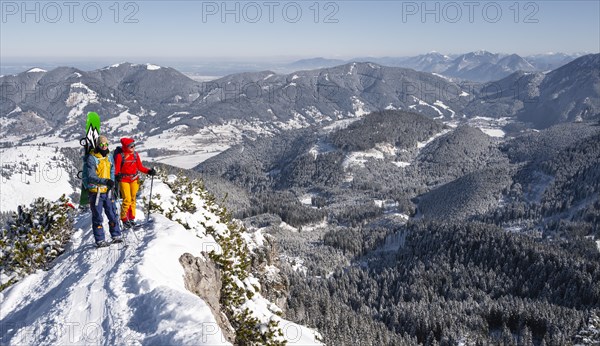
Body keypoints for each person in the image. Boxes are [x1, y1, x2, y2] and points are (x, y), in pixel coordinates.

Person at [85, 135, 122, 247]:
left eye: (106, 144)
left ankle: (116, 235)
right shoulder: (92, 158)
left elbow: (112, 169)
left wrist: (112, 181)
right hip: (96, 192)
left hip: (108, 190)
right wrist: (105, 181)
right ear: (98, 145)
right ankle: (100, 239)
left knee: (112, 213)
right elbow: (91, 176)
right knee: (98, 216)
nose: (104, 146)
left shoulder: (109, 156)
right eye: (102, 144)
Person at [114, 137, 156, 228]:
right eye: (131, 146)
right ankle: (125, 219)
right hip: (124, 180)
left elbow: (140, 167)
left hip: (134, 179)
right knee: (127, 199)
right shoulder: (120, 156)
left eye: (134, 146)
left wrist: (149, 171)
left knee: (133, 198)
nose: (133, 148)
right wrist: (117, 176)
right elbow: (116, 169)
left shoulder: (135, 155)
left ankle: (131, 218)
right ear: (125, 147)